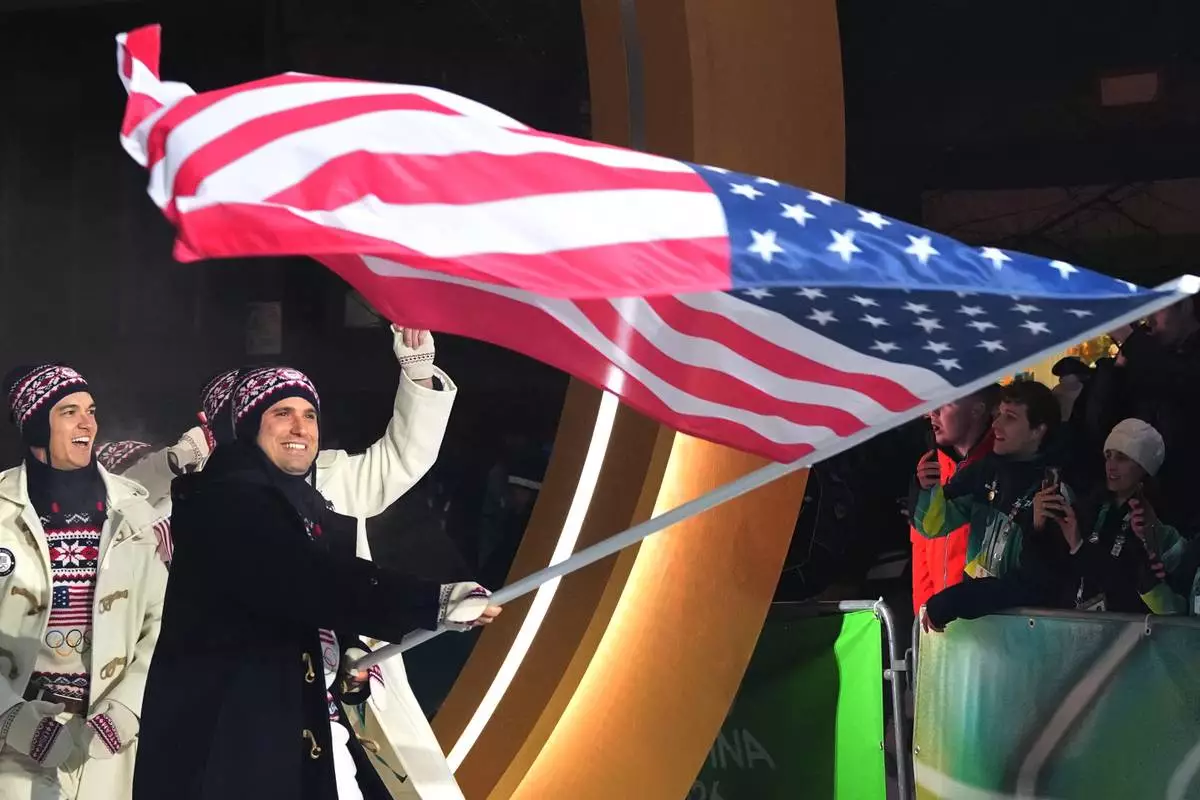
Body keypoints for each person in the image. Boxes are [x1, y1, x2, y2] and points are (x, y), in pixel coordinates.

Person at [132, 366, 499, 800]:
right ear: (239, 427)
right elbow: (301, 578)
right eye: (280, 414)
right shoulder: (226, 499)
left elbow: (308, 591)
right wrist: (429, 602)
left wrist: (346, 651)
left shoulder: (316, 487)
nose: (299, 428)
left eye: (309, 415)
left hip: (312, 720)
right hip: (242, 739)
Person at [0, 364, 168, 800]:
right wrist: (11, 718)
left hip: (106, 744)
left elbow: (164, 620)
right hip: (11, 749)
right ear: (36, 422)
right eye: (68, 411)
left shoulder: (133, 513)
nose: (87, 423)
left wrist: (129, 706)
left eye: (91, 411)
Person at [913, 381, 1072, 631]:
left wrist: (957, 600)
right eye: (997, 414)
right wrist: (927, 488)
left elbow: (1033, 583)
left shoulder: (1053, 489)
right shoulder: (985, 470)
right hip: (983, 633)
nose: (996, 424)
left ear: (1037, 431)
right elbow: (933, 526)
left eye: (1009, 417)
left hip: (1029, 640)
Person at [1065, 419, 1186, 613]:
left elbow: (1175, 609)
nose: (1111, 466)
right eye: (1108, 456)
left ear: (1144, 467)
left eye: (1121, 458)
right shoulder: (1089, 510)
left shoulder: (1163, 527)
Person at [1097, 298, 1200, 526]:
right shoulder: (1148, 360)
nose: (1149, 321)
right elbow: (1100, 423)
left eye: (1156, 310)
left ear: (1184, 306)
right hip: (1143, 504)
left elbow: (1183, 384)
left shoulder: (1168, 363)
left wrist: (1131, 340)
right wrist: (1117, 370)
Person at [909, 386, 999, 615]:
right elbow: (921, 548)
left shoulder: (1001, 466)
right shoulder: (930, 465)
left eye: (945, 402)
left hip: (987, 624)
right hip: (939, 627)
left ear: (977, 410)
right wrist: (923, 613)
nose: (932, 412)